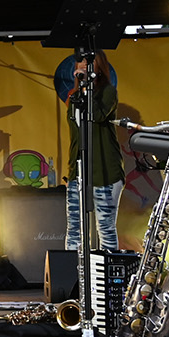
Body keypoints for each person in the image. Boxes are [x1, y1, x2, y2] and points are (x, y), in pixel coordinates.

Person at [61, 51, 123, 251]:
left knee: (105, 228)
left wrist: (87, 87)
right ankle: (73, 279)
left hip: (104, 172)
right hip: (77, 172)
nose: (83, 65)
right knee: (74, 231)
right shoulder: (74, 98)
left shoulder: (108, 92)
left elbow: (96, 115)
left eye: (89, 62)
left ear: (99, 67)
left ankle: (106, 278)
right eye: (80, 61)